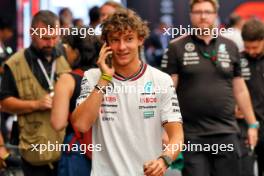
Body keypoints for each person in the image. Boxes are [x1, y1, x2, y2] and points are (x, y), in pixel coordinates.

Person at [72, 9, 183, 176]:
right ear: (106, 43)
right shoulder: (93, 77)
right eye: (115, 40)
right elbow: (81, 124)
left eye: (128, 39)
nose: (122, 47)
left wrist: (164, 160)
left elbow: (177, 135)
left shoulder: (161, 80)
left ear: (140, 39)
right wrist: (104, 79)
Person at [162, 0, 258, 176]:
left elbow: (240, 89)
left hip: (226, 132)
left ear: (215, 15)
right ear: (191, 15)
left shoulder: (231, 46)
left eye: (207, 11)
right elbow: (168, 90)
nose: (203, 16)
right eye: (198, 12)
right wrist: (166, 128)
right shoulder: (176, 46)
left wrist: (252, 124)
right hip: (192, 134)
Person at [0, 10, 71, 176]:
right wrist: (35, 104)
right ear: (32, 34)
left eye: (55, 37)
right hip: (34, 151)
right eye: (45, 38)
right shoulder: (14, 64)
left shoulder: (68, 57)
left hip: (67, 149)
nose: (51, 43)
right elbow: (4, 103)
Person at [51, 30, 101, 176]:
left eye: (68, 48)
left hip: (77, 148)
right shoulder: (108, 76)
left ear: (76, 52)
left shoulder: (68, 79)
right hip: (107, 145)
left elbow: (58, 123)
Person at [240, 18, 264, 176]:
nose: (250, 51)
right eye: (247, 47)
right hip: (244, 129)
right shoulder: (237, 59)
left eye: (254, 47)